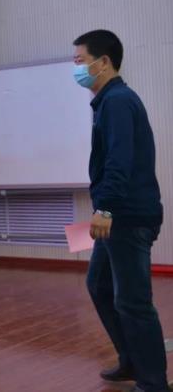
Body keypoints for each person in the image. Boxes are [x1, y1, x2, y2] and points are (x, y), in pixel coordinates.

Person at [74, 30, 168, 392]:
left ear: (104, 62)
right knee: (99, 284)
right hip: (119, 215)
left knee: (134, 302)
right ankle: (132, 359)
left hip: (126, 216)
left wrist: (106, 208)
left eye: (80, 61)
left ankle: (153, 382)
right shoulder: (109, 101)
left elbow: (119, 160)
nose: (76, 68)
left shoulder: (116, 101)